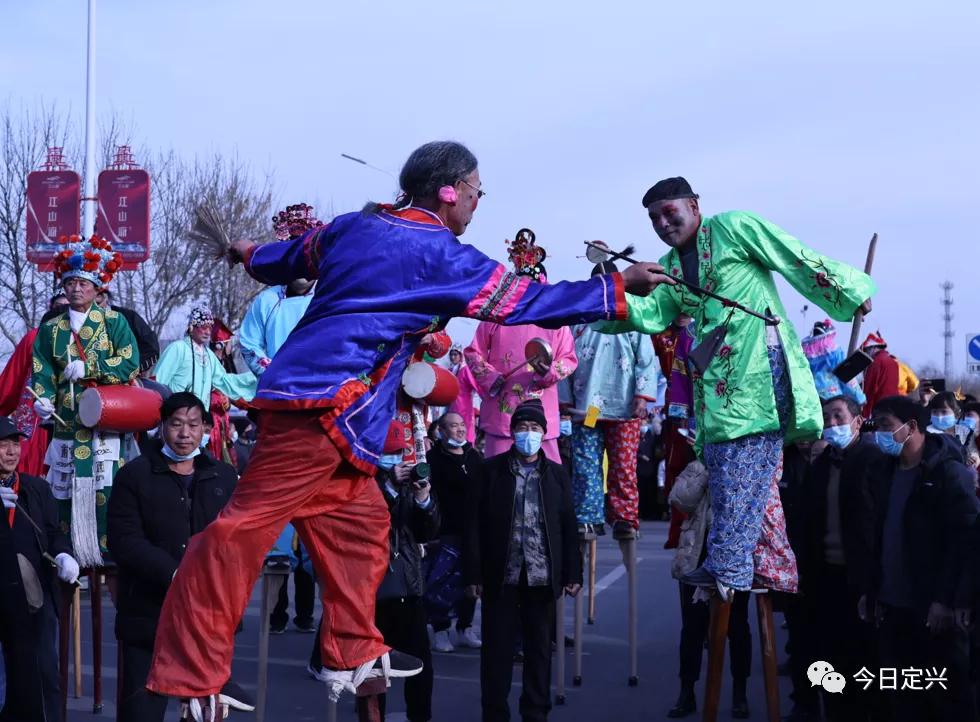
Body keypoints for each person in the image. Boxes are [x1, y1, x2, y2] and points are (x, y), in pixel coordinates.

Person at [144, 140, 672, 716]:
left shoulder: (354, 228)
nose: (477, 202)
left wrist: (247, 252)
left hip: (336, 415)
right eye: (475, 191)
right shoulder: (442, 254)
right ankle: (194, 671)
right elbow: (526, 300)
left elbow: (289, 257)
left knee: (366, 527)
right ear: (449, 191)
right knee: (237, 532)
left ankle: (348, 649)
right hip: (320, 403)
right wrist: (614, 290)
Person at [600, 176, 875, 597]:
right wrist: (607, 288)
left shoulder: (735, 227)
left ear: (694, 205)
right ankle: (775, 568)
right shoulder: (669, 267)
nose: (661, 223)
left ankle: (728, 568)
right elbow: (651, 314)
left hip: (761, 373)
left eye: (668, 212)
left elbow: (792, 257)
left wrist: (848, 290)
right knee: (742, 476)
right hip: (717, 390)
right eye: (653, 218)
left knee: (739, 467)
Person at [106, 392, 251, 722]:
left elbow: (237, 539)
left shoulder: (224, 477)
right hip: (149, 612)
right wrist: (174, 573)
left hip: (208, 615)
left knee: (204, 711)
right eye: (176, 424)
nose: (185, 434)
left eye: (193, 425)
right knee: (141, 709)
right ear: (162, 427)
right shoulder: (135, 475)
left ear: (205, 429)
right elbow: (124, 540)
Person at [311, 421, 440, 721]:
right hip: (368, 592)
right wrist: (390, 487)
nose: (395, 460)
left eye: (399, 453)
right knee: (371, 674)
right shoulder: (354, 481)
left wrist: (424, 499)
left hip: (407, 586)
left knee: (421, 666)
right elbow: (366, 522)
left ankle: (420, 717)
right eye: (388, 453)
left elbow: (426, 531)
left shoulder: (411, 483)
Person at [464, 399, 581, 722]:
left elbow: (568, 524)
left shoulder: (557, 474)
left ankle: (535, 711)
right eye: (522, 428)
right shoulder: (490, 471)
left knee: (540, 651)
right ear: (511, 431)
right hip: (500, 575)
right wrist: (472, 574)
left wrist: (574, 571)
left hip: (542, 577)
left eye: (534, 428)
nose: (527, 434)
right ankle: (494, 712)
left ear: (544, 434)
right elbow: (473, 525)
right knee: (497, 652)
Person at [32, 233, 140, 568]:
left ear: (97, 288)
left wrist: (91, 366)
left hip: (105, 418)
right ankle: (67, 550)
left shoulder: (113, 322)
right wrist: (44, 399)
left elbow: (129, 361)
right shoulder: (51, 329)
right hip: (66, 418)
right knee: (63, 488)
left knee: (105, 483)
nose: (76, 289)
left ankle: (105, 551)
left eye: (83, 283)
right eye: (70, 282)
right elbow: (42, 369)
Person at [869, 395, 978, 721]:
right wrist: (871, 590)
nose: (880, 434)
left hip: (933, 611)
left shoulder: (948, 473)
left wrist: (946, 599)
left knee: (946, 698)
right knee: (903, 697)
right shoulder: (884, 472)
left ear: (911, 426)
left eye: (886, 426)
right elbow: (879, 535)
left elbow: (964, 542)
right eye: (877, 426)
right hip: (893, 607)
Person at [795, 396, 884, 721]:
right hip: (825, 576)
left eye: (839, 416)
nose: (832, 424)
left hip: (862, 579)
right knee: (830, 656)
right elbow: (807, 521)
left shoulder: (873, 460)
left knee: (864, 657)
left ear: (858, 421)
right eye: (827, 418)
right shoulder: (821, 465)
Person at [562, 259, 659, 539]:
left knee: (623, 466)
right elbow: (566, 360)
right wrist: (566, 400)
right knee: (586, 463)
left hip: (625, 407)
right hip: (589, 408)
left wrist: (642, 397)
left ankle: (624, 517)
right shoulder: (579, 318)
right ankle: (589, 516)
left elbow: (646, 360)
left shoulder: (633, 315)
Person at [465, 230, 579, 464]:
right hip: (501, 412)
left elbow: (569, 359)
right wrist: (491, 377)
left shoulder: (556, 320)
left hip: (541, 412)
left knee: (547, 478)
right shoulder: (496, 316)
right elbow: (473, 353)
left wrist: (548, 372)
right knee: (498, 478)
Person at [0, 416, 79, 722]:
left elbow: (55, 532)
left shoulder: (36, 488)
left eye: (15, 444)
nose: (11, 452)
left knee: (44, 674)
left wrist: (63, 555)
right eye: (3, 445)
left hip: (33, 600)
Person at [667, 460, 752, 719]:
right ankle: (687, 692)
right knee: (692, 628)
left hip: (734, 559)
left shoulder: (747, 462)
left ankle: (740, 693)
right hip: (697, 557)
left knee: (737, 627)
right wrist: (705, 469)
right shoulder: (698, 464)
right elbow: (680, 499)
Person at [238, 203, 322, 376]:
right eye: (294, 258)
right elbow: (249, 342)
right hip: (276, 392)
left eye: (304, 259)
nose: (300, 266)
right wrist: (273, 374)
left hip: (321, 391)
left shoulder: (329, 296)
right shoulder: (267, 301)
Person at [426, 412, 483, 652]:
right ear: (441, 430)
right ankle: (440, 630)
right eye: (453, 426)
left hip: (474, 530)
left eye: (462, 425)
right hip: (445, 530)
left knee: (471, 581)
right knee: (443, 582)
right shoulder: (432, 459)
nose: (459, 430)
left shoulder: (475, 457)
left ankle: (465, 628)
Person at [153, 306, 257, 411]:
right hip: (177, 413)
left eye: (210, 328)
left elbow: (224, 381)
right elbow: (158, 381)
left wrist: (256, 378)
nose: (208, 332)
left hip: (200, 416)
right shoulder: (177, 348)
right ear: (192, 327)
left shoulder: (209, 355)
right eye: (204, 327)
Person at [653, 313, 697, 548]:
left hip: (706, 409)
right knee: (678, 471)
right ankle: (678, 533)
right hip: (676, 413)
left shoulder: (705, 329)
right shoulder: (660, 334)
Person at [95, 288, 160, 373]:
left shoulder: (128, 317)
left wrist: (130, 368)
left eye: (97, 303)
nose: (94, 308)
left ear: (105, 297)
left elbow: (151, 347)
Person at [860, 332, 900, 418]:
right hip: (894, 409)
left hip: (880, 410)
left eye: (866, 350)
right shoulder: (893, 361)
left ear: (873, 348)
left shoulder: (875, 362)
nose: (866, 353)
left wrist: (864, 415)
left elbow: (869, 390)